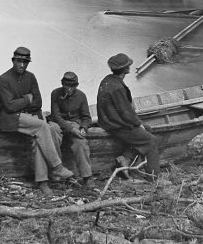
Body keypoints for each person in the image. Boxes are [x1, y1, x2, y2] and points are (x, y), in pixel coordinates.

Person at [0, 46, 73, 195]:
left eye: (25, 62)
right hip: (9, 118)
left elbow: (37, 102)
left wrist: (25, 102)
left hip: (29, 117)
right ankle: (56, 167)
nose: (22, 65)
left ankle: (42, 182)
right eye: (19, 61)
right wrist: (27, 98)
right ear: (13, 61)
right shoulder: (4, 79)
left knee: (40, 137)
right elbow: (10, 106)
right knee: (42, 127)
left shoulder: (30, 77)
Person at [97, 53, 161, 182]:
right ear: (125, 69)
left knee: (148, 129)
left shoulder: (108, 80)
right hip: (117, 125)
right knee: (151, 141)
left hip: (108, 121)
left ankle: (125, 158)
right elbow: (126, 112)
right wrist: (138, 124)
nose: (130, 66)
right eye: (128, 65)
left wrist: (140, 125)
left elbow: (124, 110)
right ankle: (154, 178)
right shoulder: (118, 87)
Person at [49, 71, 95, 188]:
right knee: (52, 130)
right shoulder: (55, 93)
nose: (69, 89)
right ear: (62, 84)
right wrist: (70, 128)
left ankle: (87, 176)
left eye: (72, 86)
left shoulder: (81, 96)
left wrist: (84, 127)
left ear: (76, 86)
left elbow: (86, 118)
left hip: (75, 124)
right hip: (58, 124)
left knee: (80, 142)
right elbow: (56, 116)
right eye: (66, 86)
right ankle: (57, 172)